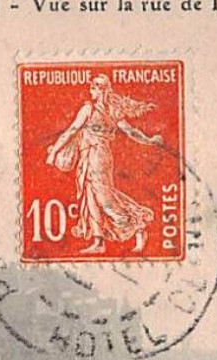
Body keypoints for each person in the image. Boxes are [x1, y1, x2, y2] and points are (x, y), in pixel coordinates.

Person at [45, 72, 166, 255]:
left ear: (100, 90)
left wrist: (54, 152)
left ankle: (138, 225)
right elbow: (72, 131)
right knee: (90, 197)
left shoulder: (102, 110)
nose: (90, 92)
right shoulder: (92, 109)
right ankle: (98, 241)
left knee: (104, 197)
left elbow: (130, 132)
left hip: (99, 156)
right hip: (87, 157)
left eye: (93, 89)